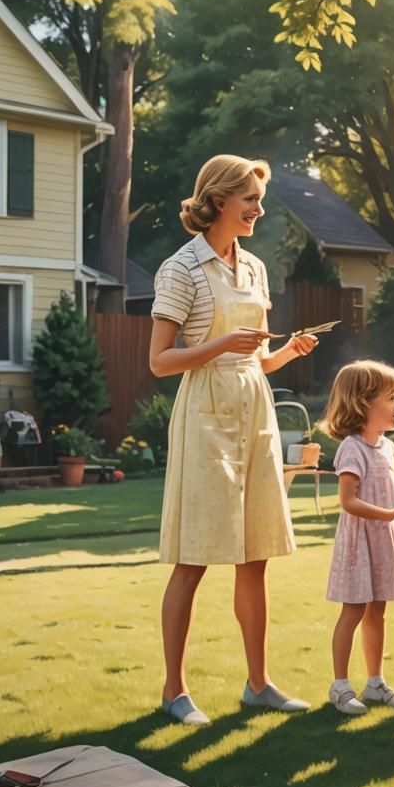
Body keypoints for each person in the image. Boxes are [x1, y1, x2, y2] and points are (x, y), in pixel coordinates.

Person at [150, 155, 318, 725]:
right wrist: (223, 346)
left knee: (255, 557)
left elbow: (254, 360)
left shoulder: (254, 269)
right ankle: (174, 691)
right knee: (193, 558)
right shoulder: (182, 269)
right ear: (219, 199)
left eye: (259, 198)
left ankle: (258, 683)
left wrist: (285, 353)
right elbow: (159, 361)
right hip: (205, 415)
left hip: (254, 409)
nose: (258, 208)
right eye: (250, 198)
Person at [322, 360, 394, 714]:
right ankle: (339, 686)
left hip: (383, 541)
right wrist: (393, 514)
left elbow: (392, 491)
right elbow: (348, 501)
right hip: (360, 544)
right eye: (392, 398)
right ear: (364, 402)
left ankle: (375, 683)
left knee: (377, 611)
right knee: (353, 610)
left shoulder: (387, 446)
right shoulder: (352, 449)